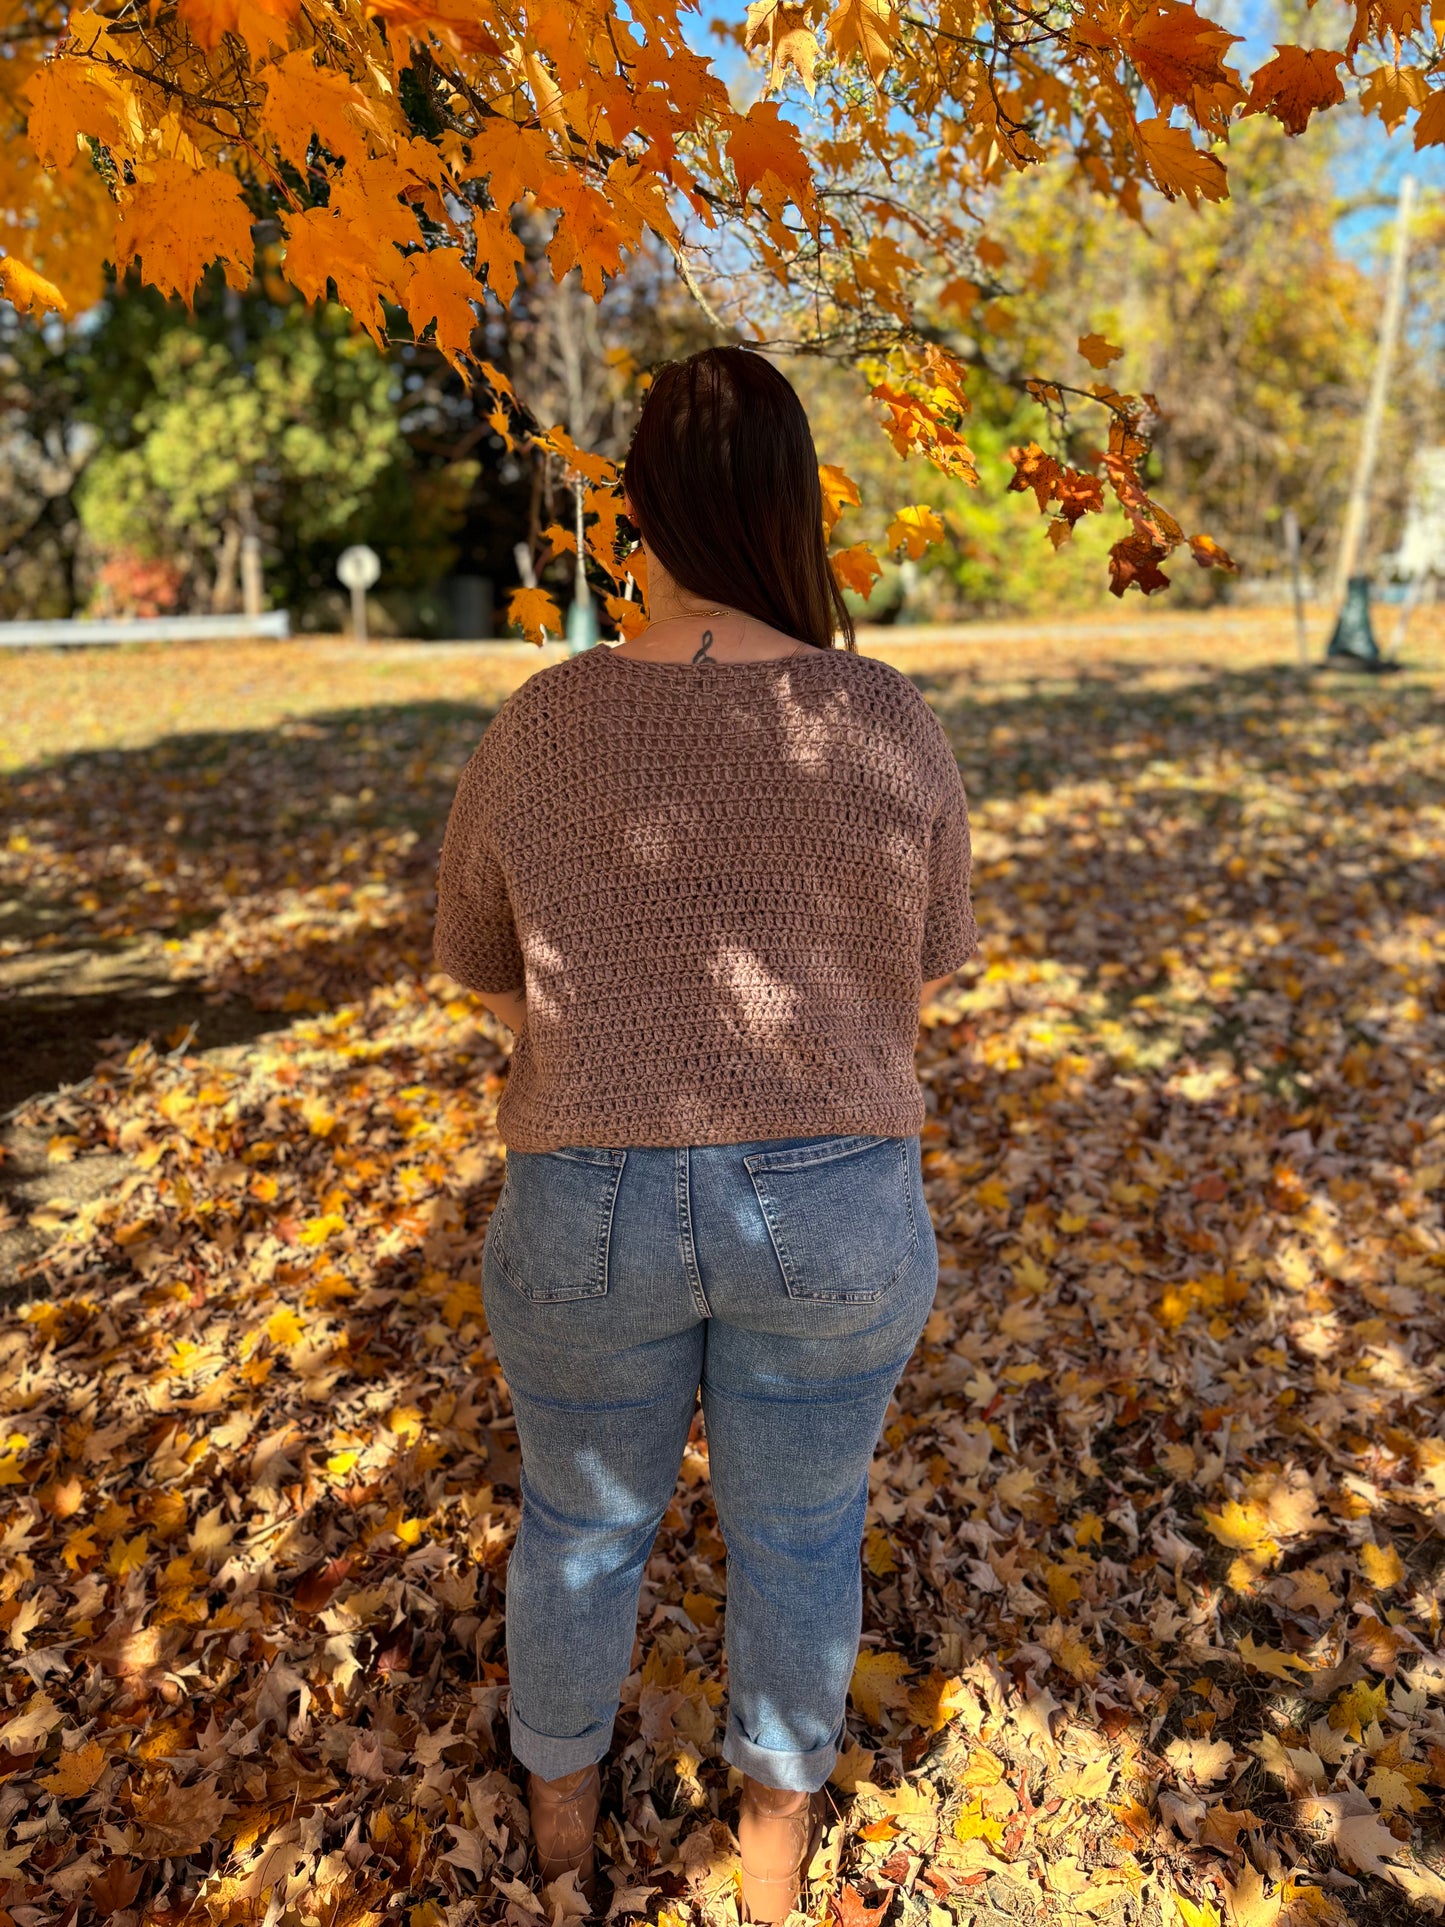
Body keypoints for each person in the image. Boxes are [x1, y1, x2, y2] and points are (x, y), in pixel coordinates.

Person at [434, 347, 978, 1920]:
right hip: (838, 1200)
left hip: (582, 1192)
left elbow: (484, 974)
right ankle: (770, 1872)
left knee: (581, 1527)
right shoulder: (884, 721)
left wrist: (606, 1052)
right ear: (792, 510)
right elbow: (916, 980)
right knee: (802, 1534)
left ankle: (555, 1840)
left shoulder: (543, 724)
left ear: (643, 512)